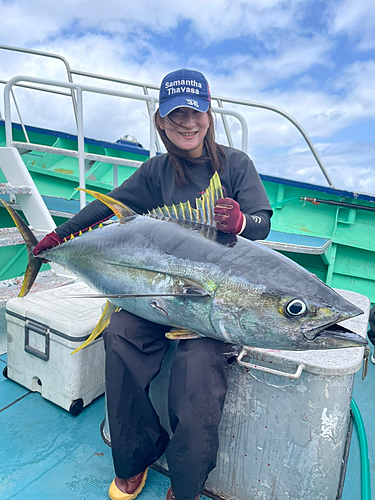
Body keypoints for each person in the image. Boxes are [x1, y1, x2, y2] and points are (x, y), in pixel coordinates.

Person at [34, 69, 273, 500]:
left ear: (208, 114)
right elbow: (106, 209)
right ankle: (133, 459)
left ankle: (186, 485)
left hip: (213, 304)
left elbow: (261, 223)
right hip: (157, 296)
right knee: (121, 336)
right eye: (174, 114)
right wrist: (59, 236)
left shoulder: (236, 164)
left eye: (195, 112)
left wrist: (242, 221)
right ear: (161, 121)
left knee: (197, 368)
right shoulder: (154, 172)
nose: (187, 123)